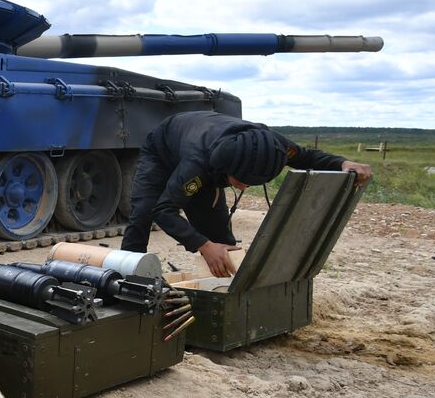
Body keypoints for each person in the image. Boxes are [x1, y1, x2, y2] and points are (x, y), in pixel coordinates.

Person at [120, 112, 373, 277]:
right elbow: (163, 211)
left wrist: (342, 163)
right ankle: (128, 277)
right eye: (240, 182)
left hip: (209, 153)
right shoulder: (197, 164)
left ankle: (226, 287)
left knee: (219, 234)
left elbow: (305, 156)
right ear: (225, 167)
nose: (244, 188)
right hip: (163, 148)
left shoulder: (273, 145)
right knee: (143, 212)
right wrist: (203, 245)